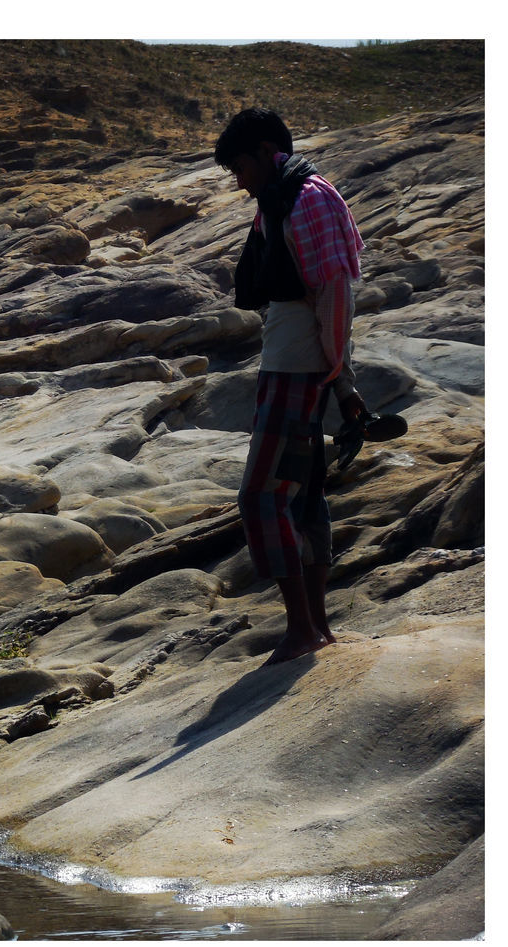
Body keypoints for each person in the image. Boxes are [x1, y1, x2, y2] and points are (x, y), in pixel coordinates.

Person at [214, 108, 367, 667]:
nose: (238, 179)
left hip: (300, 368)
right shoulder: (282, 196)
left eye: (238, 166)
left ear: (261, 151)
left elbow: (335, 292)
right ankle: (317, 628)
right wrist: (341, 383)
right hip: (296, 363)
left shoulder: (308, 198)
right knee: (301, 497)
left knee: (261, 497)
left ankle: (303, 628)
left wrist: (335, 376)